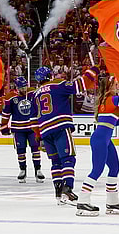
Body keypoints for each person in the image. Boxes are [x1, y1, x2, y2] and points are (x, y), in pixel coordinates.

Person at [76, 76, 119, 216]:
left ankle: (112, 202)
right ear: (110, 86)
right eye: (116, 83)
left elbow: (113, 123)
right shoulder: (114, 99)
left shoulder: (106, 100)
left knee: (114, 168)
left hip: (104, 138)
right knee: (97, 170)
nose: (118, 85)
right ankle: (82, 201)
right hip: (100, 139)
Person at [34, 65, 98, 205]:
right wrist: (92, 71)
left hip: (45, 131)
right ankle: (68, 189)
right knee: (68, 158)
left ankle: (58, 193)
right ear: (50, 76)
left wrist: (39, 137)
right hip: (60, 126)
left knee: (55, 162)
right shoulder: (57, 85)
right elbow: (80, 85)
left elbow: (33, 119)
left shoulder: (35, 94)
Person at [0, 76, 44, 183]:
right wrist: (4, 126)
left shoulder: (33, 93)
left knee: (35, 148)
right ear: (16, 87)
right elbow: (6, 113)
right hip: (18, 129)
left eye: (25, 87)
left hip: (32, 127)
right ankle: (22, 170)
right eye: (21, 87)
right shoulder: (11, 97)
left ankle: (38, 170)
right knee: (21, 150)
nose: (24, 89)